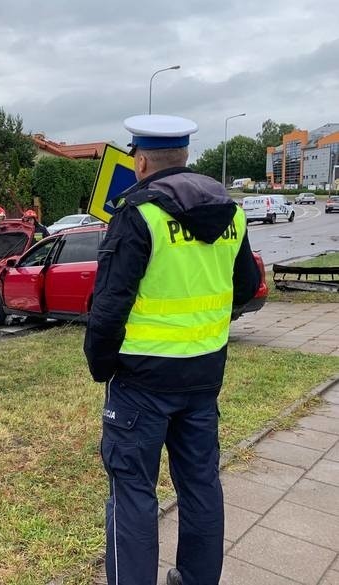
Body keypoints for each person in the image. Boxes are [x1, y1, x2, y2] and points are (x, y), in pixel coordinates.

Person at [83, 115, 260, 585]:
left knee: (133, 496)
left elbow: (108, 307)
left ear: (140, 161)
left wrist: (102, 368)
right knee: (201, 486)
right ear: (184, 157)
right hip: (203, 378)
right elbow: (246, 285)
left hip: (141, 383)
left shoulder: (138, 213)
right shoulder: (232, 213)